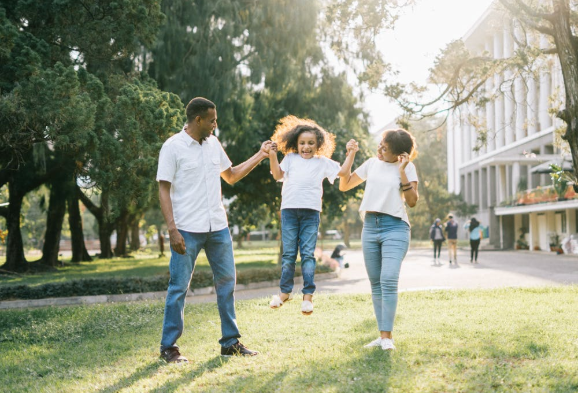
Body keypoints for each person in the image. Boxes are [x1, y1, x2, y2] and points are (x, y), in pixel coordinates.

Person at [156, 97, 270, 363]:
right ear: (198, 120)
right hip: (186, 229)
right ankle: (168, 347)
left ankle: (230, 343)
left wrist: (261, 155)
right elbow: (163, 188)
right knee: (178, 287)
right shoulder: (173, 147)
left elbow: (230, 175)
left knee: (227, 283)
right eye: (212, 120)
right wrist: (172, 230)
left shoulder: (214, 144)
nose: (215, 125)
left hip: (218, 227)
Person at [338, 128, 419, 351]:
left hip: (396, 227)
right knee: (376, 284)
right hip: (370, 227)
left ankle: (387, 338)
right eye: (380, 144)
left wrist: (402, 171)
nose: (380, 149)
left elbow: (412, 201)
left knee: (389, 279)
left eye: (386, 148)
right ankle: (383, 336)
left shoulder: (408, 167)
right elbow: (344, 185)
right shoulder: (372, 164)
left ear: (400, 154)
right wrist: (351, 155)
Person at [267, 115, 357, 315]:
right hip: (289, 211)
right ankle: (284, 293)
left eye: (310, 143)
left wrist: (350, 153)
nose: (306, 147)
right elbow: (277, 175)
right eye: (302, 143)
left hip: (311, 213)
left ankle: (308, 297)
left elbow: (343, 172)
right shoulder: (290, 158)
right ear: (295, 144)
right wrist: (272, 156)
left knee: (308, 254)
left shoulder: (322, 162)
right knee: (289, 254)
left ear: (319, 145)